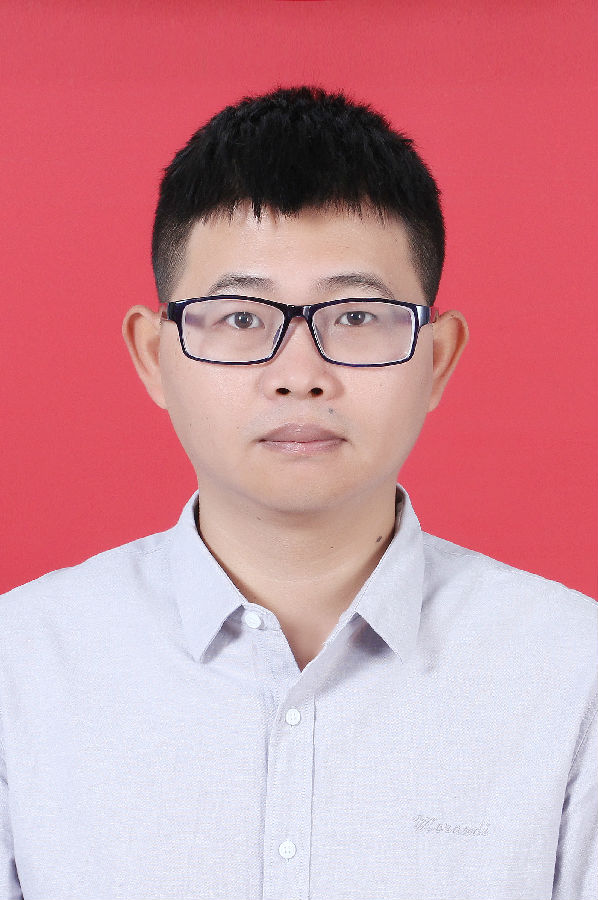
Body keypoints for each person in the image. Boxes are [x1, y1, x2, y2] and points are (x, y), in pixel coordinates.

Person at [0, 86, 595, 900]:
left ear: (437, 359)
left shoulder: (572, 674)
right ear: (152, 356)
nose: (299, 376)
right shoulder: (22, 668)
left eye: (356, 317)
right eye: (241, 318)